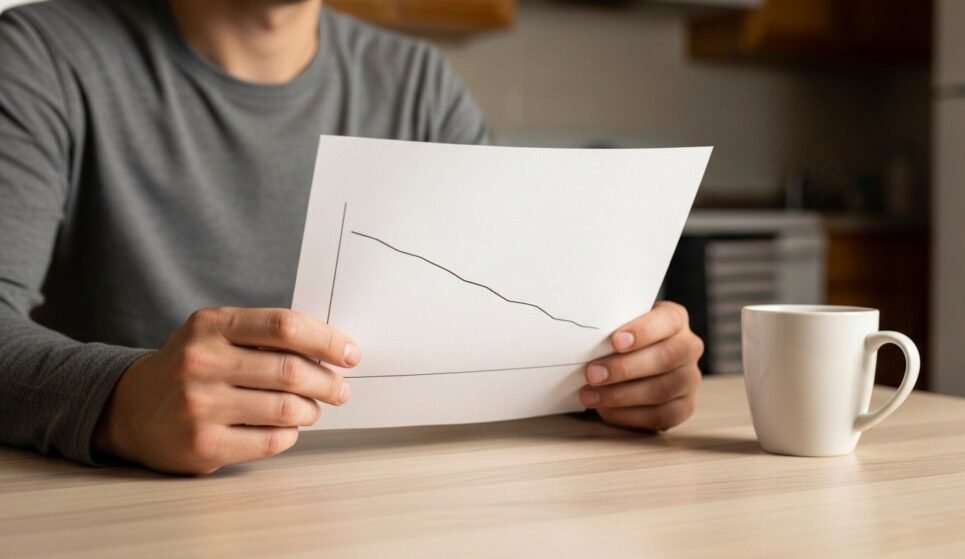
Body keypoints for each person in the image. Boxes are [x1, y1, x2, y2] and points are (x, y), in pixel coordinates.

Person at [0, 0, 704, 475]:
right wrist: (121, 400)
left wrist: (621, 374)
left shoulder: (419, 86)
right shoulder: (38, 57)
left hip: (381, 505)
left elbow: (513, 334)